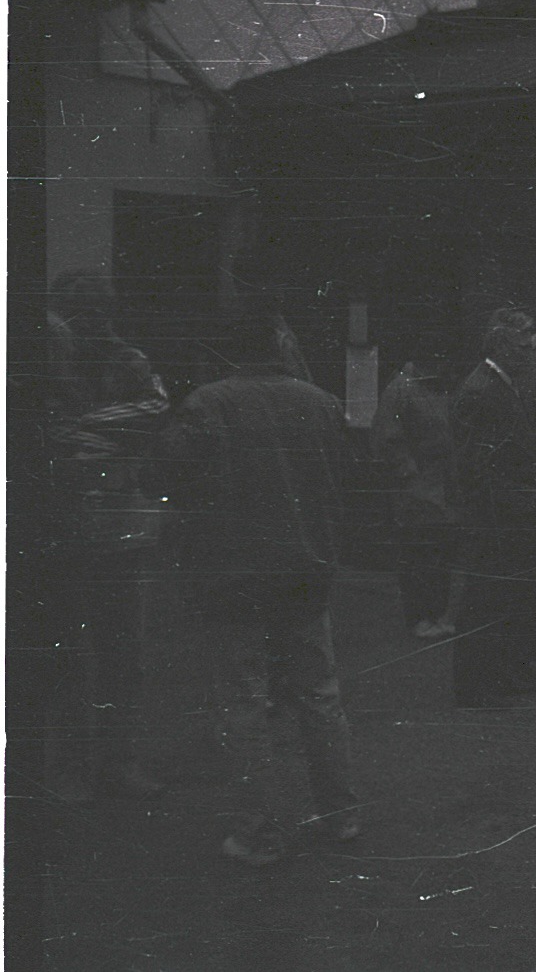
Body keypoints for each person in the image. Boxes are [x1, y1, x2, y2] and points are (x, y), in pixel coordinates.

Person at [160, 312, 359, 866]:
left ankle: (259, 832)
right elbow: (344, 479)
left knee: (244, 702)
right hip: (304, 570)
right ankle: (341, 813)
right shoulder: (320, 402)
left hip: (233, 577)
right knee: (319, 695)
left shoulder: (206, 405)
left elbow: (176, 478)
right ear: (278, 341)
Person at [47, 340, 171, 800]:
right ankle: (76, 766)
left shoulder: (127, 360)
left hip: (118, 533)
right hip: (73, 532)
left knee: (121, 654)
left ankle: (115, 761)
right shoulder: (53, 366)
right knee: (74, 656)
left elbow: (153, 413)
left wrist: (78, 430)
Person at [449, 309, 536, 707]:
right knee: (484, 600)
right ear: (499, 345)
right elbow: (475, 467)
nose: (530, 354)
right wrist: (522, 494)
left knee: (501, 598)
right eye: (522, 346)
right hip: (493, 515)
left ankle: (497, 677)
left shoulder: (501, 383)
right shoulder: (482, 390)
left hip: (507, 510)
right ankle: (476, 687)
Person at [371, 345, 461, 639]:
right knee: (418, 552)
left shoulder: (440, 388)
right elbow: (387, 437)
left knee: (439, 551)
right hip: (417, 485)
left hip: (441, 483)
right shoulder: (402, 389)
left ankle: (436, 613)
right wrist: (407, 474)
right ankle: (419, 616)